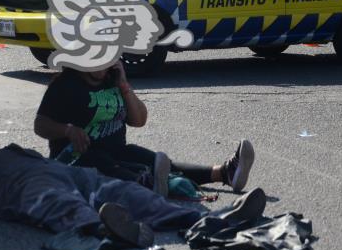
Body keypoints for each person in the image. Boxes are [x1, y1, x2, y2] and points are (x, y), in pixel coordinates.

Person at [0, 133, 266, 248]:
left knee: (134, 196)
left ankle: (211, 221)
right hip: (28, 187)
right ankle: (106, 230)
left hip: (68, 174)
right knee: (59, 205)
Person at [34, 62, 254, 197]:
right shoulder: (65, 84)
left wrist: (124, 86)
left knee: (156, 160)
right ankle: (150, 185)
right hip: (75, 158)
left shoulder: (113, 80)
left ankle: (225, 173)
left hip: (117, 150)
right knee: (108, 163)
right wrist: (68, 130)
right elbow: (40, 124)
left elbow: (139, 120)